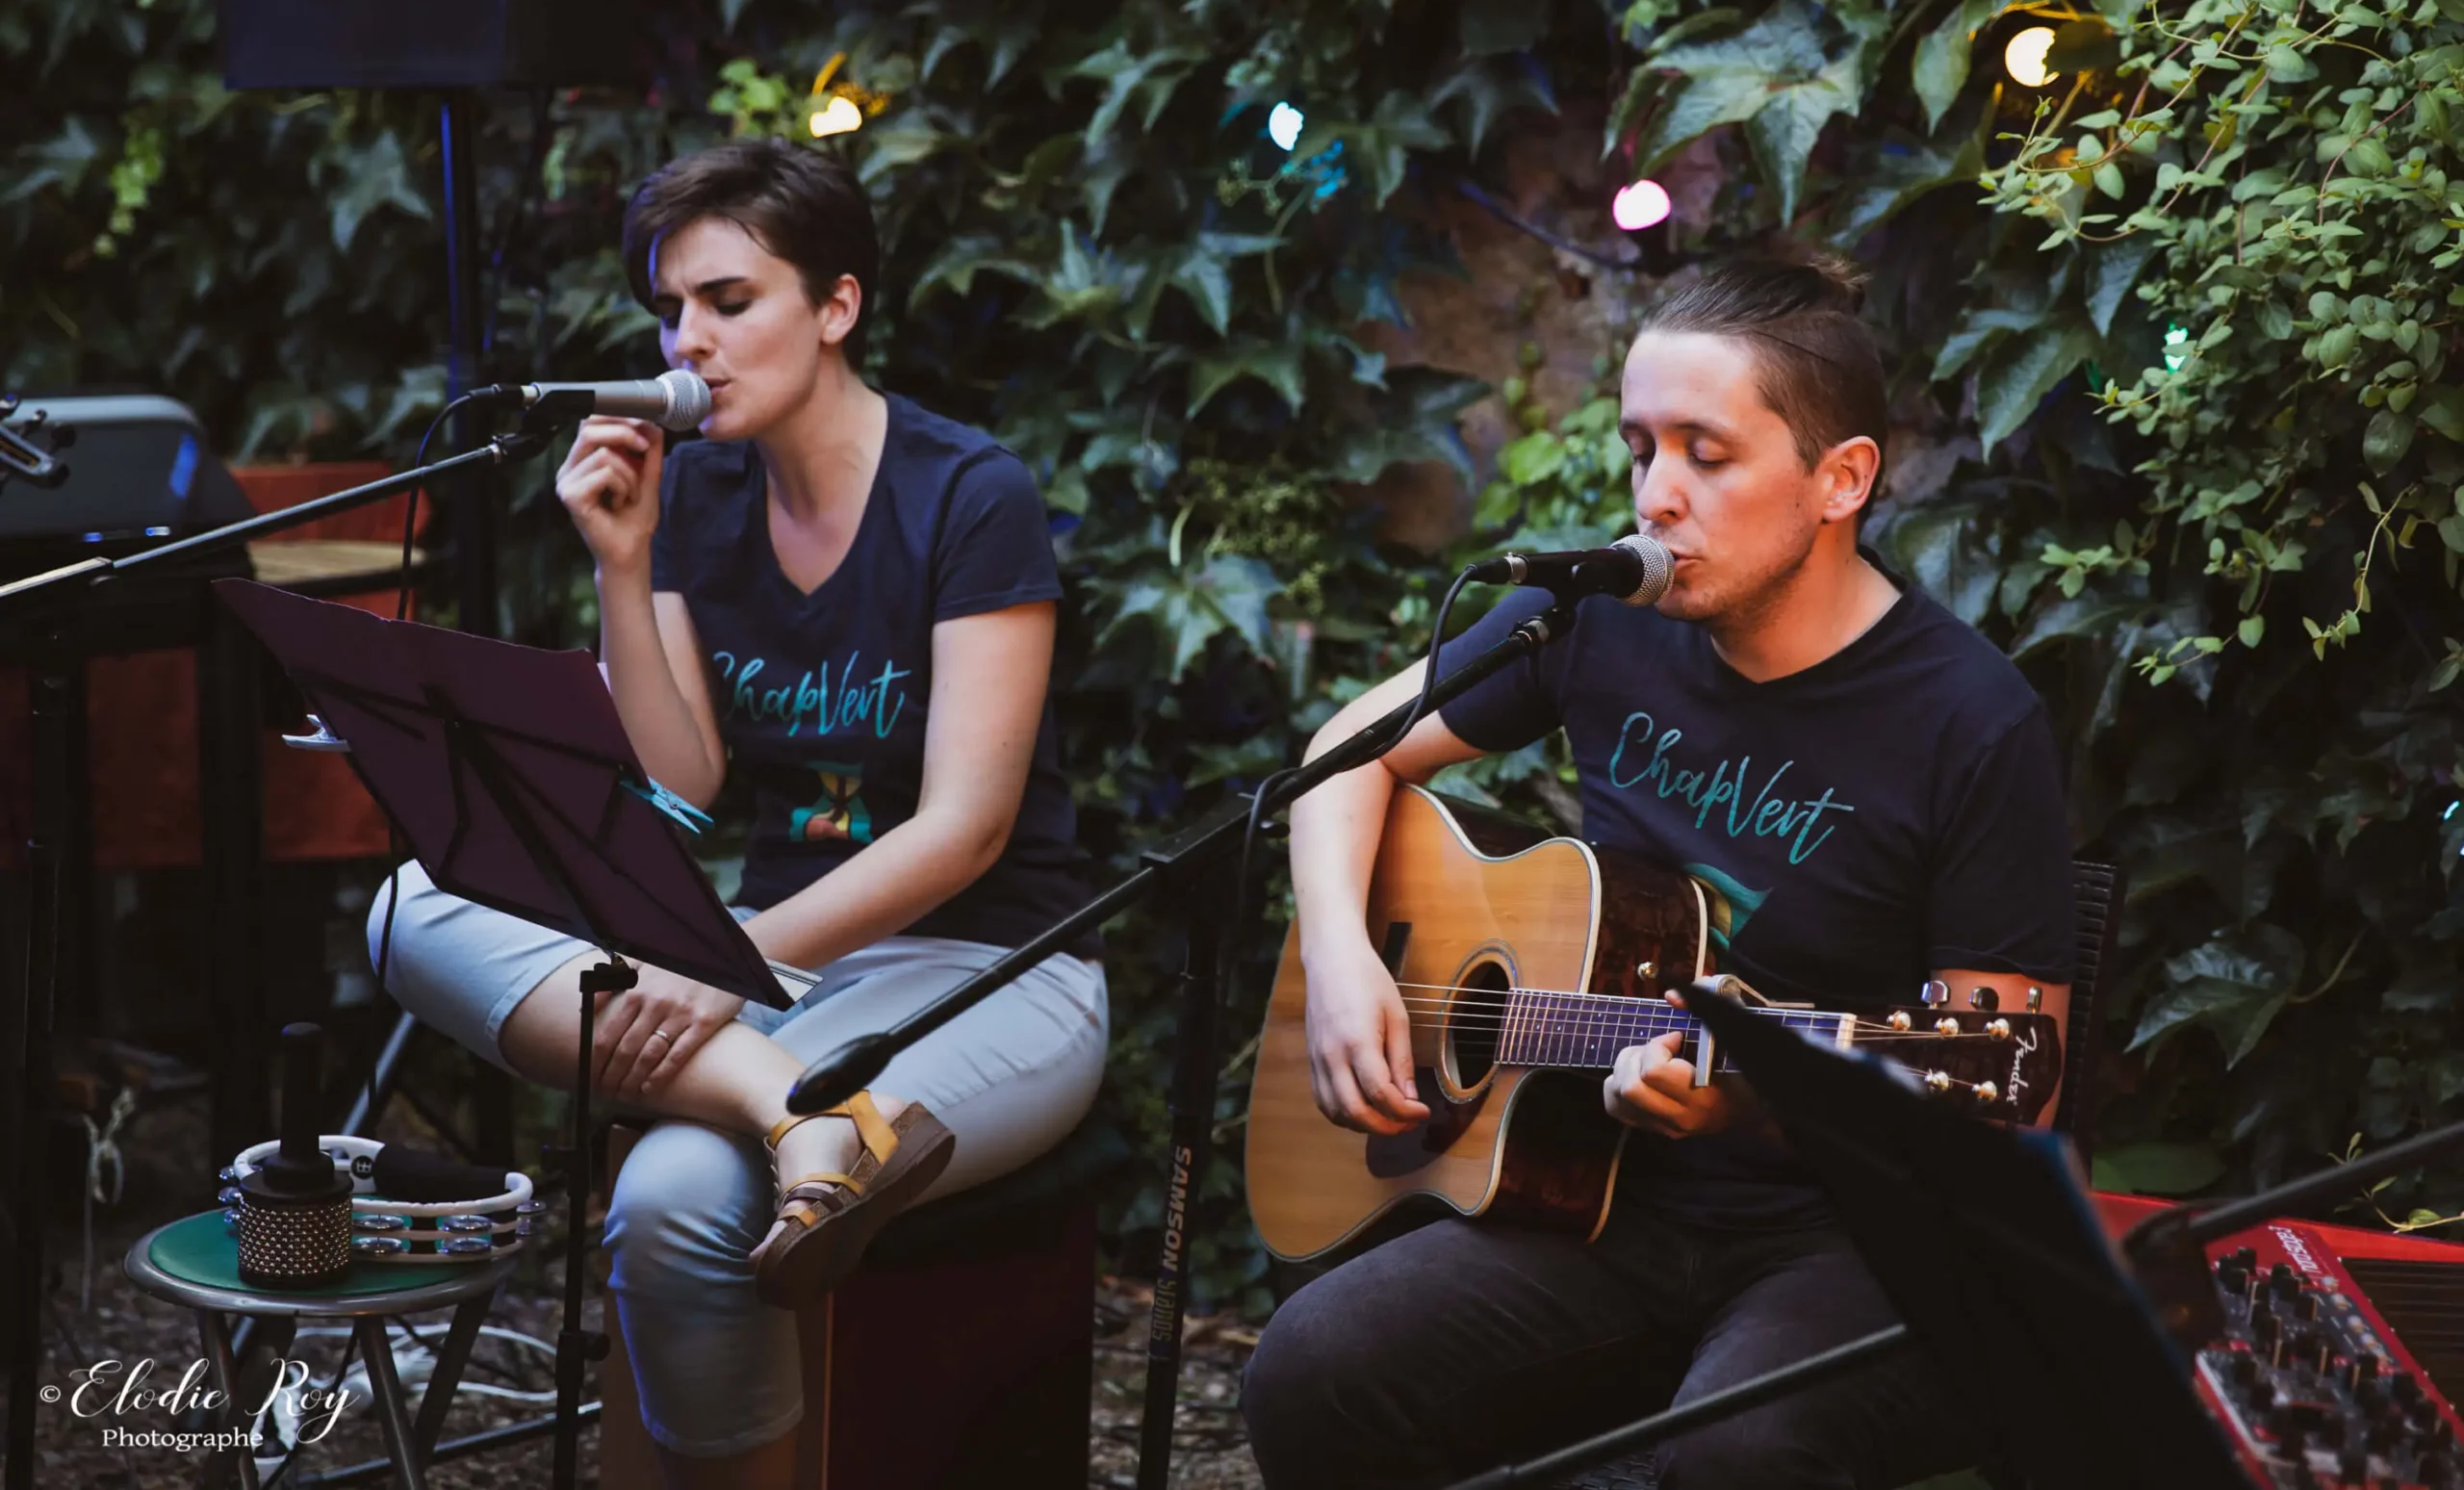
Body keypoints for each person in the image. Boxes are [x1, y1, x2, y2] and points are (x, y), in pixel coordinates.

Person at [1238, 254, 2074, 1489]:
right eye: (1641, 448)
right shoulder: (1598, 624)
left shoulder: (1970, 723)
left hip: (1843, 1242)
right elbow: (1344, 757)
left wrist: (1751, 1100)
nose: (1656, 496)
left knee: (1733, 1460)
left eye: (1706, 453)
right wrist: (1351, 962)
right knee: (1311, 1371)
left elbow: (2011, 1098)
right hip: (1594, 1197)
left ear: (1840, 478)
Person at [367, 138, 1108, 1487]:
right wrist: (626, 566)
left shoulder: (968, 491)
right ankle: (806, 1116)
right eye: (669, 310)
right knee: (412, 897)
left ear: (837, 306)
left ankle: (802, 1118)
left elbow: (966, 830)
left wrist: (727, 963)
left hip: (989, 961)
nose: (688, 340)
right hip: (773, 977)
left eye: (729, 300)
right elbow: (680, 782)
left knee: (666, 1200)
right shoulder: (696, 490)